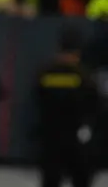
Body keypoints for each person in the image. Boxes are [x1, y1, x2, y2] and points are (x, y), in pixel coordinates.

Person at [36, 27, 98, 187]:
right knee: (81, 179)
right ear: (78, 52)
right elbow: (94, 106)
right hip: (76, 137)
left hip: (50, 136)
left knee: (50, 179)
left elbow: (37, 101)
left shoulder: (45, 73)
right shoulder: (84, 76)